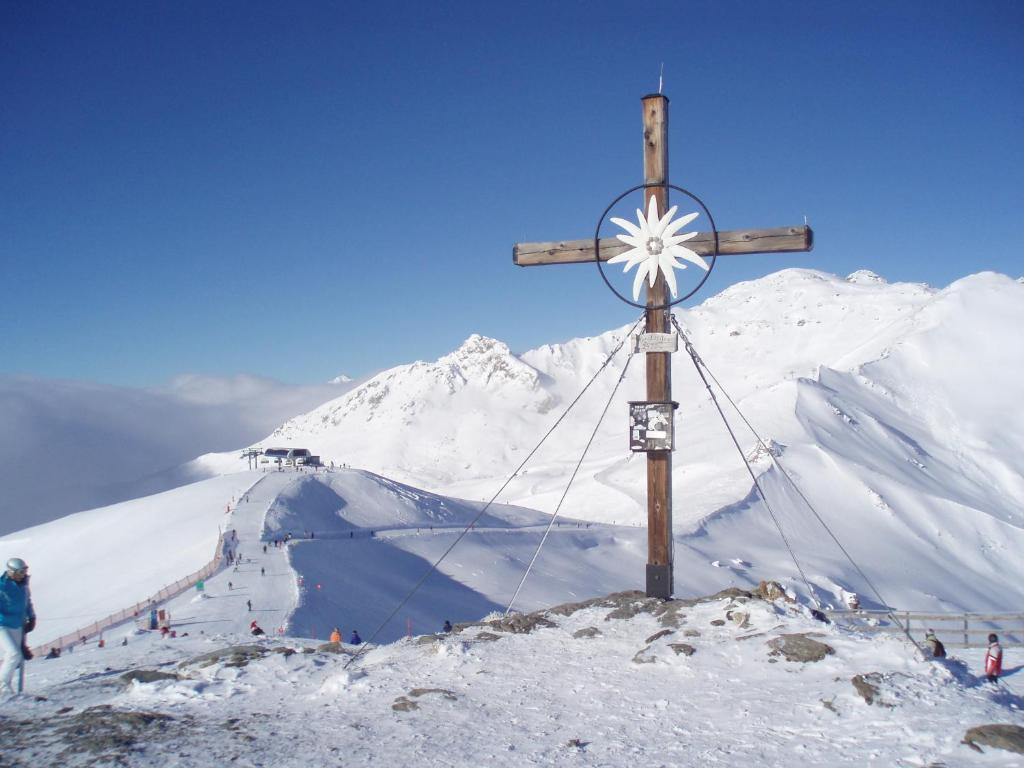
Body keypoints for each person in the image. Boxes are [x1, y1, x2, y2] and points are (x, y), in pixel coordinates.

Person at [0, 558, 35, 695]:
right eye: (21, 571)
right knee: (13, 653)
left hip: (17, 624)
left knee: (18, 656)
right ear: (11, 572)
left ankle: (5, 685)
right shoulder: (2, 586)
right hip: (2, 624)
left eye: (25, 571)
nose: (23, 574)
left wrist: (31, 617)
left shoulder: (24, 585)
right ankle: (3, 687)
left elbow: (27, 602)